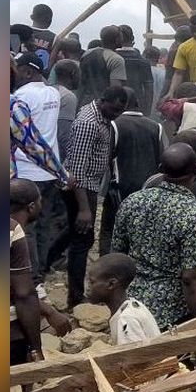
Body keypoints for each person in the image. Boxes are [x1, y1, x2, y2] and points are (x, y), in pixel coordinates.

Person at [111, 143, 196, 330]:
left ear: (160, 171)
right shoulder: (195, 214)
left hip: (131, 308)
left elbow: (116, 256)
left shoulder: (132, 201)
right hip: (172, 313)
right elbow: (191, 278)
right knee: (171, 360)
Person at [61, 86, 127, 307]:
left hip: (90, 185)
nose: (116, 115)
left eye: (120, 111)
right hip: (82, 187)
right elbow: (76, 171)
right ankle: (76, 297)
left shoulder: (103, 118)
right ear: (103, 101)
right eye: (114, 109)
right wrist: (84, 209)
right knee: (82, 241)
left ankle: (45, 267)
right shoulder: (88, 124)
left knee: (71, 235)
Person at [12, 52, 64, 276]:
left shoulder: (20, 97)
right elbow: (35, 142)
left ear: (26, 71)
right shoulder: (54, 93)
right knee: (43, 223)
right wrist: (61, 173)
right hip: (47, 169)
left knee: (23, 228)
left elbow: (30, 142)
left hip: (24, 172)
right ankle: (40, 270)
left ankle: (28, 272)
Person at [98, 87, 164, 255]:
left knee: (109, 231)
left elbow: (107, 159)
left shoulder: (114, 124)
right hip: (149, 191)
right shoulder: (156, 126)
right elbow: (161, 160)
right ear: (138, 103)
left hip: (119, 190)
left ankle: (108, 268)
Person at [85, 253, 160, 345]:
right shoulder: (134, 305)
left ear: (111, 284)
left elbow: (134, 357)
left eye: (92, 282)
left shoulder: (126, 319)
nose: (87, 287)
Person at [10, 180, 46, 365]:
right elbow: (24, 295)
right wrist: (36, 349)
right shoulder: (13, 231)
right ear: (31, 207)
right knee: (15, 391)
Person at [78, 25, 128, 107]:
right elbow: (115, 90)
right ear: (117, 39)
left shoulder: (87, 53)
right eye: (121, 37)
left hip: (83, 103)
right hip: (102, 107)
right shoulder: (116, 59)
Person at [115, 26, 155, 115]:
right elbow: (149, 89)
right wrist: (147, 113)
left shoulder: (110, 59)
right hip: (136, 107)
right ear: (132, 39)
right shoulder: (143, 61)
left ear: (116, 40)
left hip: (113, 107)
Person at [157, 26, 192, 103]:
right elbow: (169, 77)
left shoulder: (175, 48)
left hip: (182, 88)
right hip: (179, 88)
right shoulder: (176, 51)